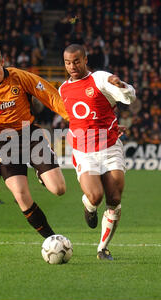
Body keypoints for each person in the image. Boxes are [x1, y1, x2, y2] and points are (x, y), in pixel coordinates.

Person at [0, 43, 69, 238]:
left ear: (3, 62)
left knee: (59, 189)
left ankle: (40, 172)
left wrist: (71, 117)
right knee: (21, 195)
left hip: (29, 136)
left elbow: (50, 96)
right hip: (4, 142)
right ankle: (51, 239)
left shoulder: (20, 77)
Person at [59, 44, 136, 260]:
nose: (72, 66)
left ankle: (102, 248)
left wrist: (122, 86)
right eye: (67, 62)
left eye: (76, 61)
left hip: (110, 147)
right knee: (95, 195)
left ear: (85, 60)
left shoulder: (100, 79)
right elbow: (75, 118)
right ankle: (89, 206)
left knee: (114, 198)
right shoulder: (63, 89)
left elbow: (129, 98)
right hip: (84, 151)